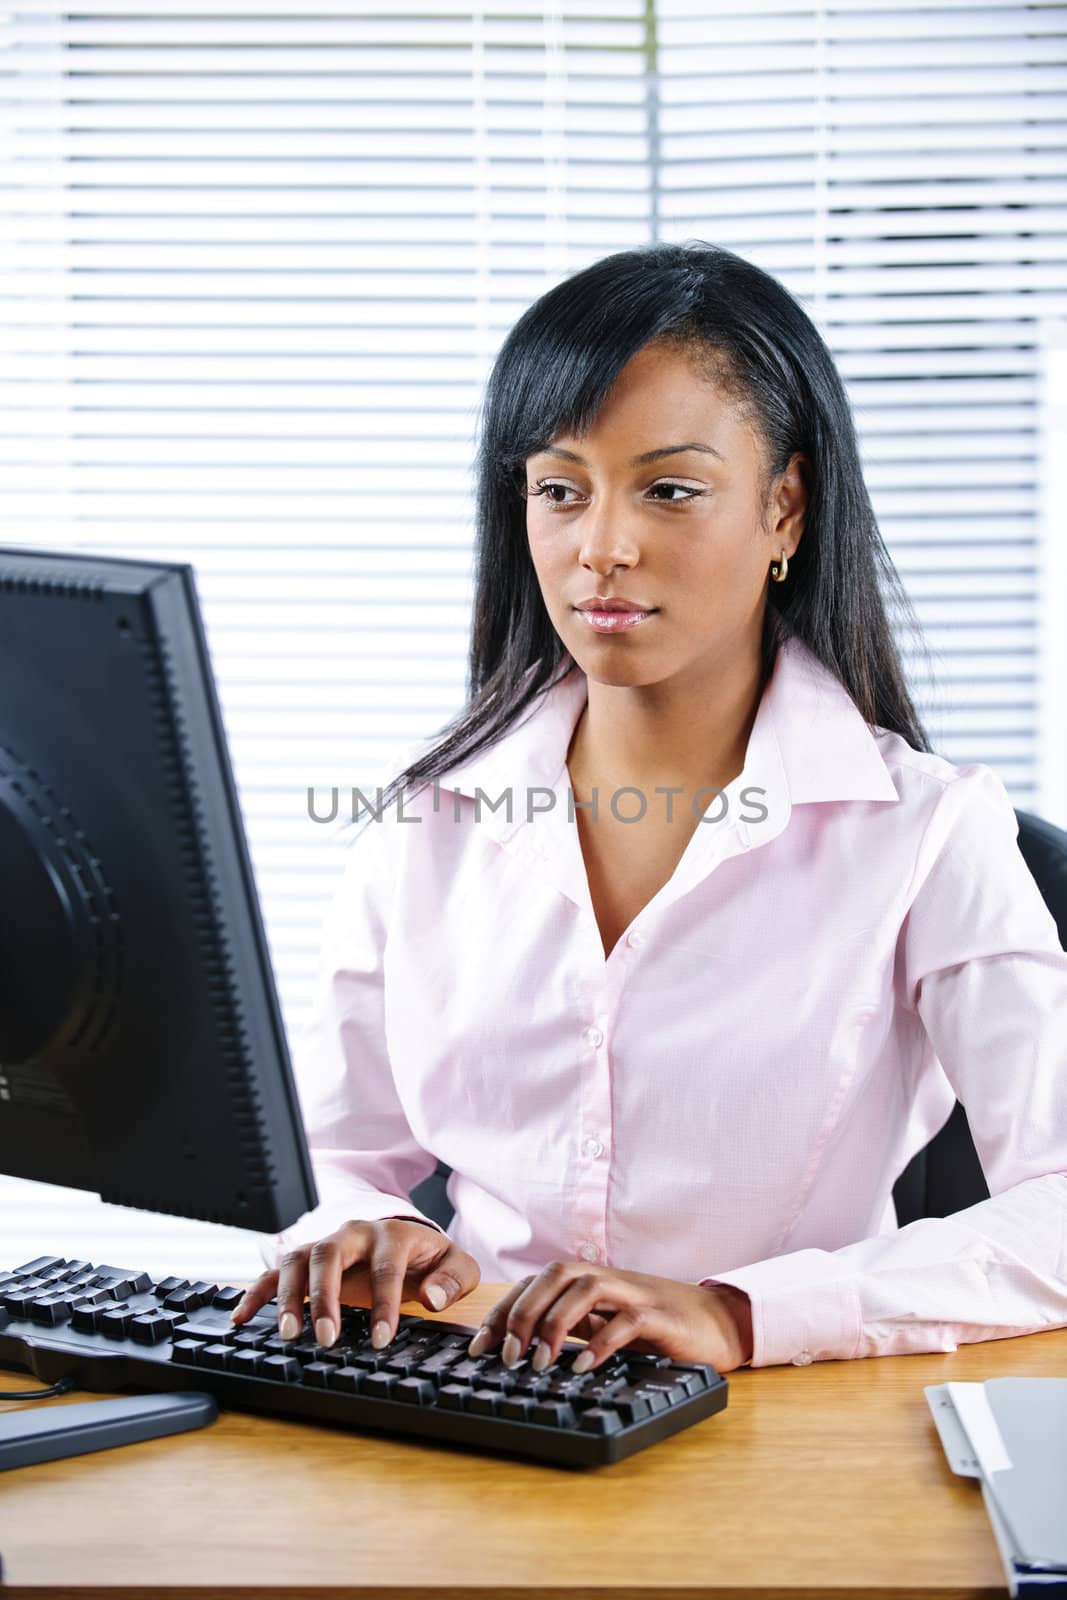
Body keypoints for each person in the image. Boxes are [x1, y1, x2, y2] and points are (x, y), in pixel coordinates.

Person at [232, 241, 1067, 1377]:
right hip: (469, 1406)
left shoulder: (924, 834)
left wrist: (733, 1312)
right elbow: (334, 1164)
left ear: (783, 508)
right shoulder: (428, 821)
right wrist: (371, 1235)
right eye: (560, 491)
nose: (601, 549)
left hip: (782, 1424)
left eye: (668, 488)